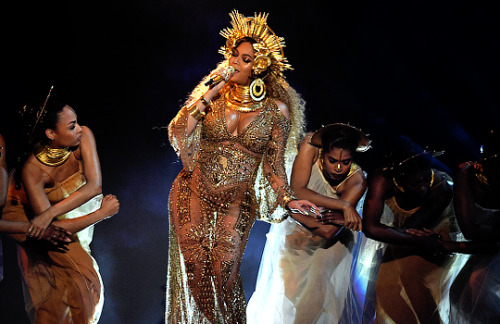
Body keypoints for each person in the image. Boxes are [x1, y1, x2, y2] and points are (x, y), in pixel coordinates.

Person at [166, 10, 317, 323]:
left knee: (223, 278)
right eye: (234, 54)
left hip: (236, 201)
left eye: (245, 58)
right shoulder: (213, 98)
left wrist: (289, 199)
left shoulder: (276, 111)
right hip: (193, 190)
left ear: (260, 65)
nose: (234, 62)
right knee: (197, 274)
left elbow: (274, 166)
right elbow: (179, 131)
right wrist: (209, 89)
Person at [2, 99, 119, 324]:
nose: (79, 129)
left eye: (76, 123)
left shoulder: (84, 136)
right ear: (51, 133)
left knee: (71, 286)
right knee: (81, 282)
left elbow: (94, 186)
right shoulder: (32, 171)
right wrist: (101, 214)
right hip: (25, 219)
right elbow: (52, 231)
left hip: (57, 218)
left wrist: (48, 213)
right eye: (71, 126)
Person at [246, 123, 371, 324]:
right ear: (322, 154)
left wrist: (289, 210)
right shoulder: (310, 145)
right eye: (332, 161)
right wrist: (343, 205)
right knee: (288, 293)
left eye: (346, 162)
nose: (339, 168)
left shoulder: (356, 181)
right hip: (296, 234)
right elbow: (298, 189)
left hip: (331, 243)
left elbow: (329, 231)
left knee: (313, 298)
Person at [361, 137, 460, 324]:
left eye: (425, 178)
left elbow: (412, 228)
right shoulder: (383, 180)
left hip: (435, 232)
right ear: (398, 179)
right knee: (384, 289)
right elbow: (370, 228)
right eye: (415, 184)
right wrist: (420, 239)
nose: (423, 186)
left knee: (412, 280)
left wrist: (432, 241)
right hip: (409, 236)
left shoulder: (440, 187)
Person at [448, 129, 500, 323]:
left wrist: (450, 247)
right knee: (457, 293)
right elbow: (468, 229)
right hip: (482, 246)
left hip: (491, 247)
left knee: (478, 283)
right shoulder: (467, 174)